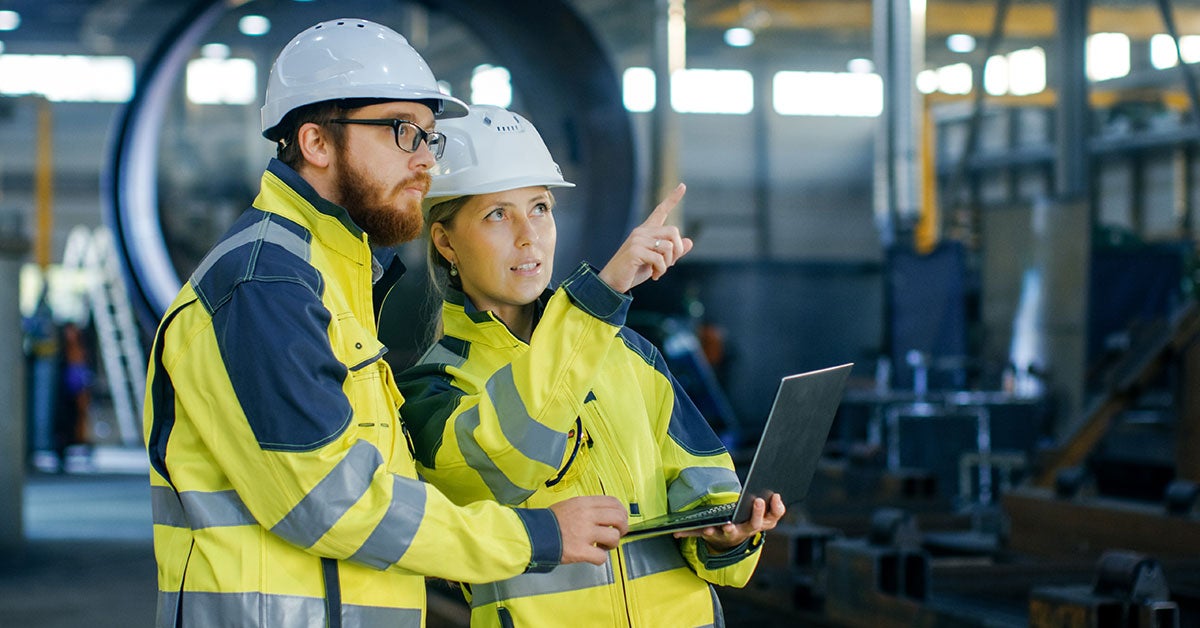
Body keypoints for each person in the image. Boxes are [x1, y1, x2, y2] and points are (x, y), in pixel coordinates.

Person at [142, 19, 627, 628]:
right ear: (317, 143)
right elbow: (327, 500)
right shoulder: (266, 284)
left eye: (429, 137)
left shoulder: (332, 275)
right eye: (404, 132)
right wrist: (535, 537)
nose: (426, 161)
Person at [394, 104, 785, 627]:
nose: (528, 235)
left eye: (539, 208)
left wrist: (730, 532)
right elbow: (509, 459)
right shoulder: (433, 390)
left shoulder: (628, 354)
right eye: (497, 214)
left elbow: (706, 482)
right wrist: (603, 295)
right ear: (445, 242)